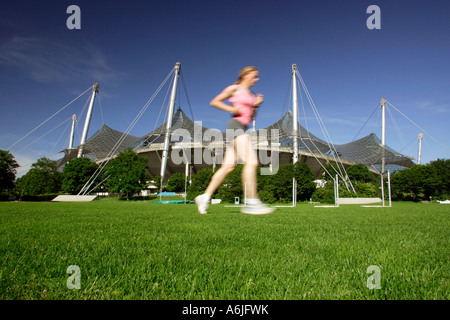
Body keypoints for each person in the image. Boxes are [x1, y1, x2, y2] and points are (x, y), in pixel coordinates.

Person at [195, 66, 275, 215]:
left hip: (242, 127)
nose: (256, 79)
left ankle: (204, 197)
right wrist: (231, 110)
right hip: (235, 126)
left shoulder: (251, 95)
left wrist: (256, 105)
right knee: (251, 162)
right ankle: (251, 201)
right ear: (245, 75)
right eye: (254, 76)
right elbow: (215, 101)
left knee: (228, 167)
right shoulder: (235, 88)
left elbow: (251, 118)